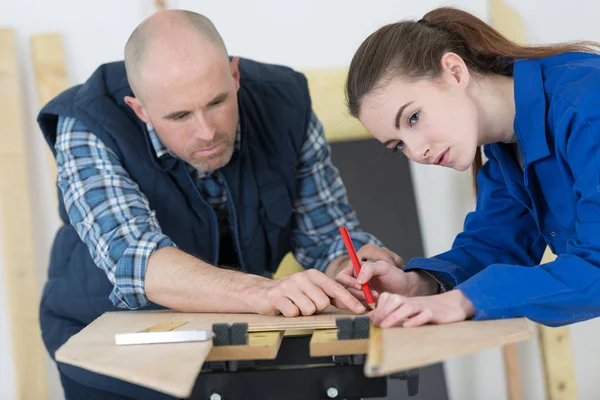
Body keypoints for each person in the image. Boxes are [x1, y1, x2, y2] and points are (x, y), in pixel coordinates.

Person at [37, 9, 412, 399]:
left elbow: (323, 235)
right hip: (110, 341)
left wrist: (353, 269)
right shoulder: (86, 124)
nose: (206, 131)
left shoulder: (286, 102)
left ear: (235, 76)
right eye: (179, 115)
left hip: (233, 337)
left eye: (216, 102)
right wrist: (261, 293)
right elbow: (138, 261)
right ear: (141, 110)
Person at [336, 6, 600, 329]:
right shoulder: (507, 148)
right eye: (399, 145)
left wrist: (464, 300)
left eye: (413, 118)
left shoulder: (588, 107)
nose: (418, 151)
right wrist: (417, 285)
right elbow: (495, 246)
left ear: (455, 71)